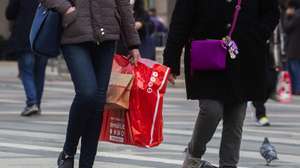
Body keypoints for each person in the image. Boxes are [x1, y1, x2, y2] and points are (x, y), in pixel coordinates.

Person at [164, 0, 279, 167]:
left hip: (243, 55)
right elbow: (180, 21)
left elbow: (272, 12)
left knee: (236, 115)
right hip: (207, 54)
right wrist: (171, 59)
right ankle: (194, 154)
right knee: (211, 110)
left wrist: (257, 35)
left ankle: (229, 164)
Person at [40, 0, 141, 167]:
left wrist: (133, 44)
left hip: (107, 35)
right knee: (87, 93)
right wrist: (66, 9)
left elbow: (123, 4)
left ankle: (87, 164)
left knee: (98, 103)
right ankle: (68, 152)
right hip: (75, 34)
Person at [6, 0, 48, 117]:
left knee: (26, 72)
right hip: (43, 36)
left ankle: (32, 102)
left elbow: (10, 13)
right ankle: (37, 104)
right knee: (39, 73)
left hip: (24, 37)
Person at [284, 0, 300, 95]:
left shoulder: (296, 16)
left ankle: (297, 89)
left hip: (294, 48)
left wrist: (287, 16)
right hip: (296, 48)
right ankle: (295, 88)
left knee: (294, 68)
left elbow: (286, 27)